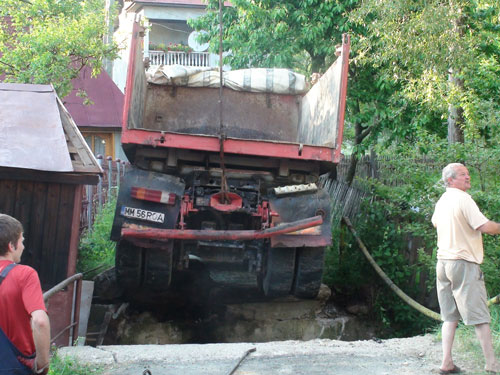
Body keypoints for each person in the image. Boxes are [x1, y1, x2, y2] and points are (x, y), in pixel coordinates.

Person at [432, 163, 500, 375]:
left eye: (468, 174)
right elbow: (485, 227)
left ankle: (446, 363)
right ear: (450, 180)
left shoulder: (442, 200)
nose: (468, 177)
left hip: (443, 263)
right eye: (463, 174)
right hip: (463, 263)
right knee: (480, 316)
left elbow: (435, 223)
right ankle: (492, 364)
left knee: (450, 317)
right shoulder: (463, 199)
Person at [0, 214, 50, 375]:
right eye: (21, 241)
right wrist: (42, 364)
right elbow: (40, 322)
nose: (23, 246)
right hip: (15, 366)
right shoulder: (25, 274)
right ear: (11, 246)